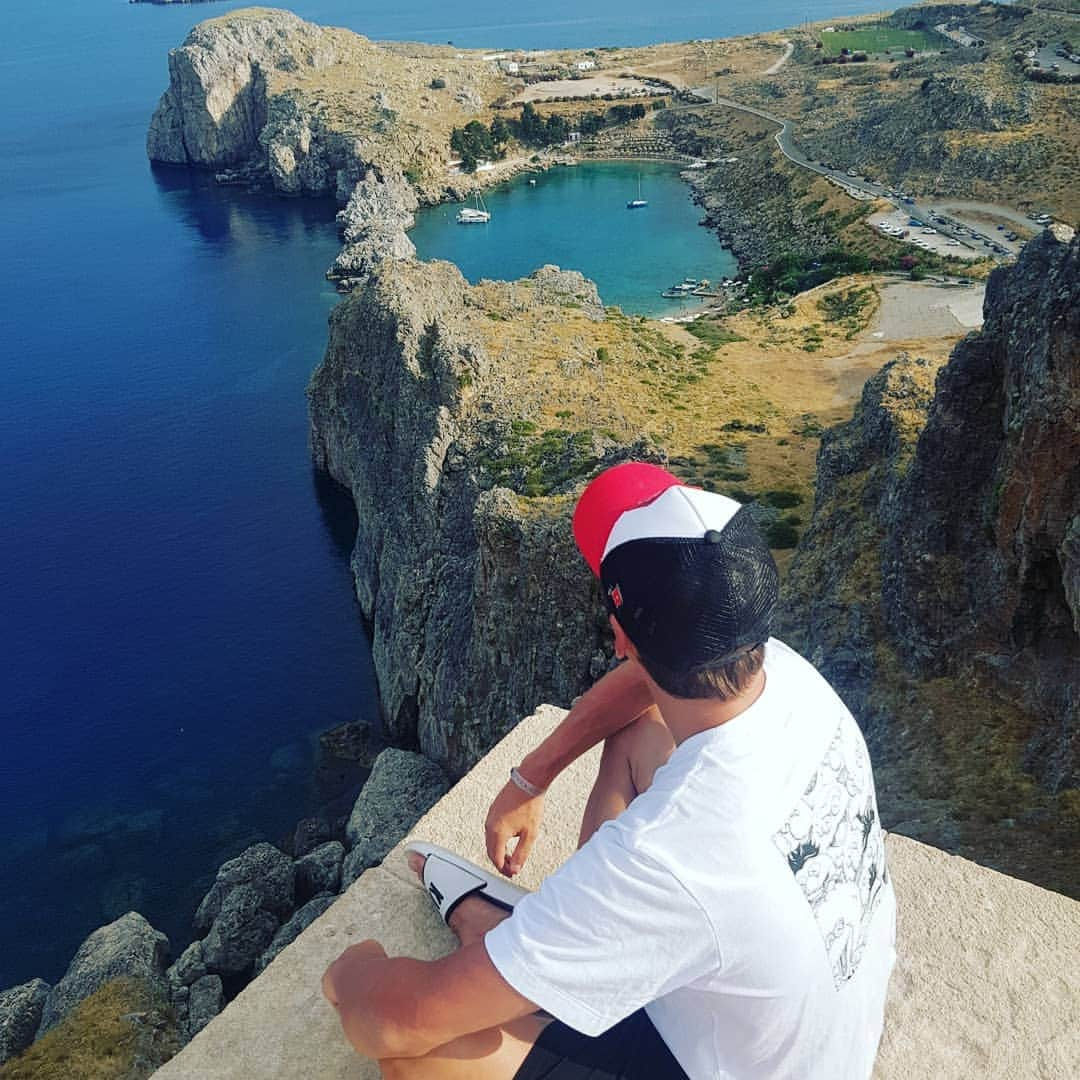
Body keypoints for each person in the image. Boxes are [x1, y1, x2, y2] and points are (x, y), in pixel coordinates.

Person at [323, 462, 897, 1079]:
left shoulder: (667, 852)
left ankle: (547, 945)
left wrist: (354, 969)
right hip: (816, 1043)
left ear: (621, 636)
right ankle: (564, 945)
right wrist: (531, 778)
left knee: (420, 1061)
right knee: (635, 733)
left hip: (721, 1062)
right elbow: (640, 688)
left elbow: (393, 1020)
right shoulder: (788, 675)